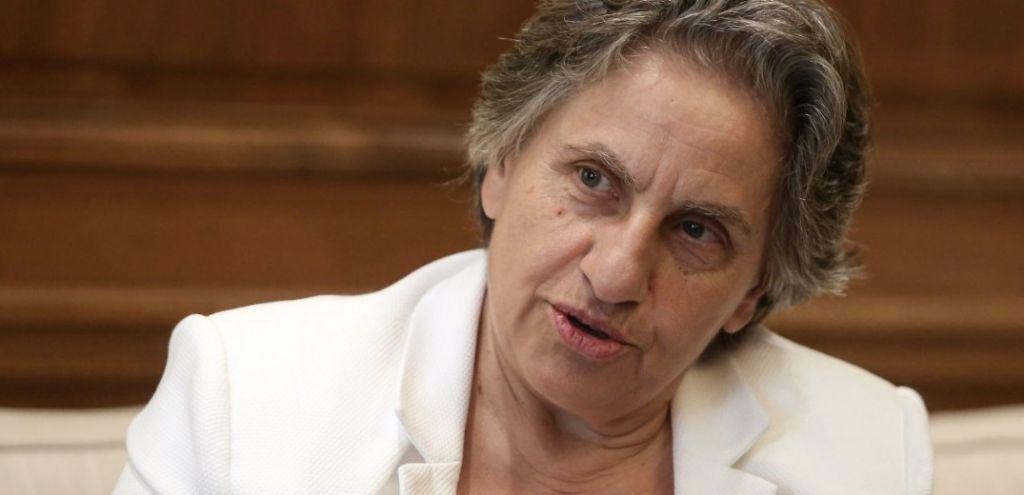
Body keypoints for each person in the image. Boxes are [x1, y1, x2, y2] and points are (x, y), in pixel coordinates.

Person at [114, 1, 933, 493]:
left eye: (696, 231)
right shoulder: (244, 396)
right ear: (501, 164)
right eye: (593, 179)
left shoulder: (865, 451)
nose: (615, 274)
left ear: (753, 292)